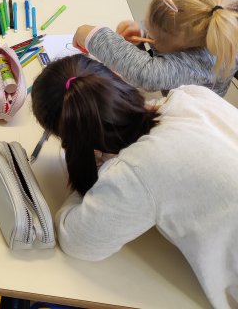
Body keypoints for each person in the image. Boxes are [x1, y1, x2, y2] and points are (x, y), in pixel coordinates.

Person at [31, 54, 238, 308]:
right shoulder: (192, 95)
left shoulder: (137, 170)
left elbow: (77, 241)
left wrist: (98, 167)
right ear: (118, 78)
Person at [73, 0, 238, 96]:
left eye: (154, 34)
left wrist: (94, 36)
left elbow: (146, 74)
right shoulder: (211, 12)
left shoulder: (201, 62)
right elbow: (176, 22)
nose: (150, 33)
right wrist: (142, 28)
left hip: (193, 115)